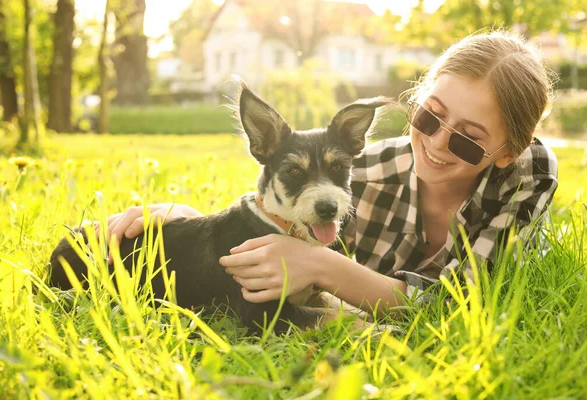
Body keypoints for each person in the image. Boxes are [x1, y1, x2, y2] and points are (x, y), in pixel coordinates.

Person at [103, 31, 558, 315]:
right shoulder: (364, 169)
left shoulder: (525, 173)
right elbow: (281, 204)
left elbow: (460, 305)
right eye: (428, 117)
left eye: (466, 138)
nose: (437, 143)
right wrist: (184, 221)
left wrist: (322, 264)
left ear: (506, 150)